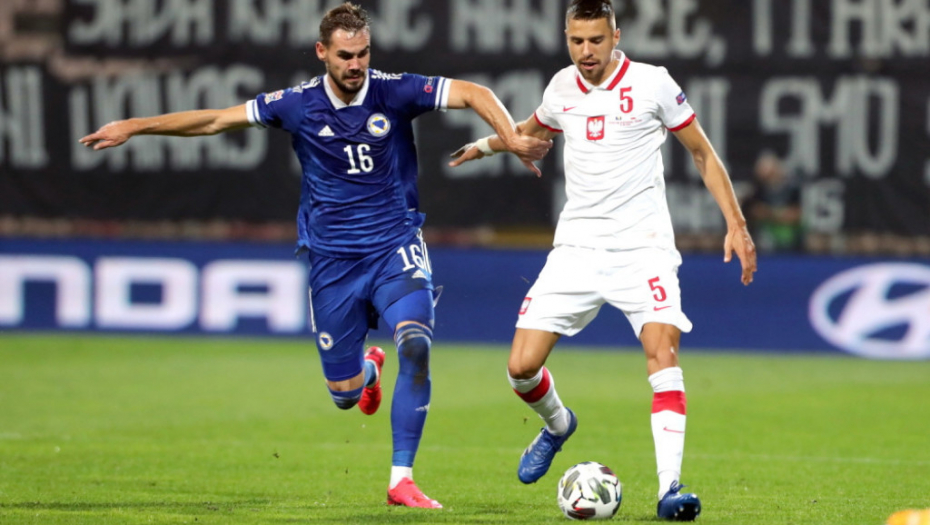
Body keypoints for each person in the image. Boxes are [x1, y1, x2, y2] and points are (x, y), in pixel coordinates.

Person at [80, 2, 551, 509]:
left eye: (363, 53)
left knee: (415, 342)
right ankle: (368, 372)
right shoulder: (296, 104)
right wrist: (135, 126)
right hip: (332, 262)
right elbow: (215, 120)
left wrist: (511, 139)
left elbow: (474, 92)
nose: (356, 64)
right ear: (322, 52)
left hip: (394, 245)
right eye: (346, 55)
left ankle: (401, 479)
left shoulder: (394, 91)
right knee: (344, 394)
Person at [449, 0, 757, 520]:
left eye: (596, 40)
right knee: (521, 368)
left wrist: (737, 223)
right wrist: (485, 146)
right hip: (577, 249)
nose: (586, 51)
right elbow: (530, 131)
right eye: (577, 41)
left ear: (616, 36)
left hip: (644, 249)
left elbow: (702, 152)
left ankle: (670, 489)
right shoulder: (560, 88)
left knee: (663, 355)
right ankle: (558, 424)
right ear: (566, 38)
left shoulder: (653, 83)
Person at [743, 151, 803, 252]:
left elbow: (796, 214)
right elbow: (755, 211)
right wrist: (781, 214)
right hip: (764, 236)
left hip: (790, 236)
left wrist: (771, 213)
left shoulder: (792, 189)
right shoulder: (757, 190)